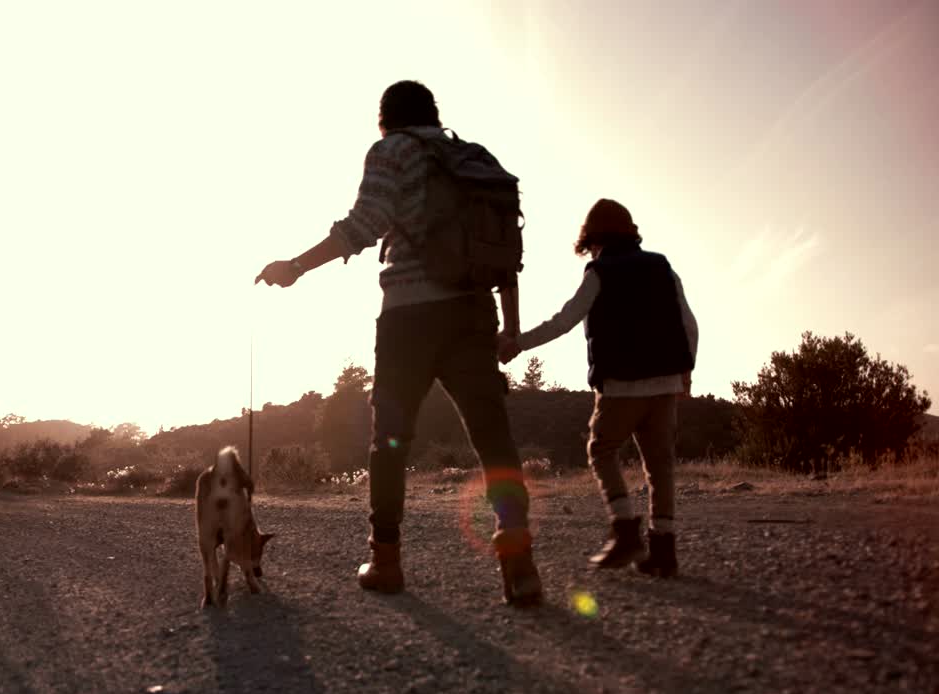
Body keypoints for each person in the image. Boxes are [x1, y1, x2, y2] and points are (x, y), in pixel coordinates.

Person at [255, 80, 542, 606]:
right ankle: (518, 557)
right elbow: (504, 253)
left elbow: (363, 226)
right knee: (491, 434)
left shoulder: (392, 151)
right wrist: (512, 327)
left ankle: (385, 560)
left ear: (385, 119)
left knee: (389, 439)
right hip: (475, 311)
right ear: (434, 114)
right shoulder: (475, 160)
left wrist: (296, 266)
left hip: (410, 316)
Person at [503, 198, 697, 577]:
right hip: (665, 383)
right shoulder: (662, 266)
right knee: (660, 466)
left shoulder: (600, 270)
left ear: (592, 238)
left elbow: (565, 320)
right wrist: (686, 373)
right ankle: (664, 551)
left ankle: (625, 531)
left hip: (621, 385)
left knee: (601, 449)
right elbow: (688, 322)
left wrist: (517, 342)